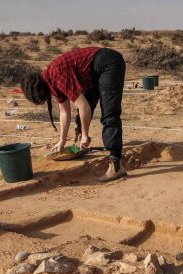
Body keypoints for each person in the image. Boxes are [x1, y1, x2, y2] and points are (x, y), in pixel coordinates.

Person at [20, 47, 127, 182]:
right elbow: (64, 113)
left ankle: (116, 165)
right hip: (93, 71)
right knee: (86, 103)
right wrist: (62, 141)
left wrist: (86, 134)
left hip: (109, 63)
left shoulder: (57, 75)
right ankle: (80, 137)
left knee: (109, 113)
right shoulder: (50, 80)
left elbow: (85, 108)